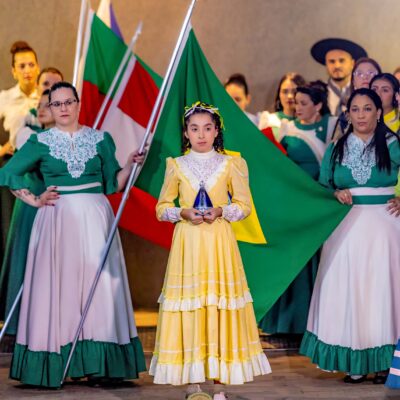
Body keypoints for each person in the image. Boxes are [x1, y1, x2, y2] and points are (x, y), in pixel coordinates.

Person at [0, 82, 146, 387]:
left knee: (100, 289)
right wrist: (34, 199)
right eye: (57, 104)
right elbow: (8, 172)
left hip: (96, 220)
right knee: (59, 289)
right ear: (50, 108)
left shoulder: (100, 139)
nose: (63, 108)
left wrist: (131, 165)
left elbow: (113, 184)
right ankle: (56, 362)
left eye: (69, 102)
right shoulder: (40, 141)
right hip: (57, 220)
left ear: (78, 104)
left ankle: (100, 365)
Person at [149, 101, 271, 399]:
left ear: (217, 131)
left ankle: (219, 385)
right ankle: (193, 385)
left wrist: (221, 210)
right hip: (188, 244)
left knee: (219, 306)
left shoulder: (232, 164)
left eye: (207, 128)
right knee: (191, 305)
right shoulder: (176, 165)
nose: (201, 134)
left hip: (219, 242)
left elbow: (244, 206)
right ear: (186, 133)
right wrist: (182, 212)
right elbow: (161, 208)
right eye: (194, 129)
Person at [300, 88, 400, 384]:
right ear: (348, 114)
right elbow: (323, 186)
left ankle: (385, 363)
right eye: (354, 109)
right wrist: (335, 193)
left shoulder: (393, 144)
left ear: (378, 112)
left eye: (367, 109)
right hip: (345, 227)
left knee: (382, 293)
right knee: (349, 291)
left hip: (385, 228)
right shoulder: (337, 148)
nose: (360, 115)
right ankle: (354, 363)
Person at [258, 82, 337, 336]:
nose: (297, 107)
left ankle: (310, 322)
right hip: (291, 205)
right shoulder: (285, 128)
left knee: (313, 260)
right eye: (296, 102)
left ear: (318, 105)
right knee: (291, 261)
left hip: (317, 204)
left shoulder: (331, 126)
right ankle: (283, 323)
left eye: (303, 103)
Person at [0, 89, 52, 338]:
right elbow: (9, 173)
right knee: (27, 260)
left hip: (62, 208)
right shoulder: (32, 138)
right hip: (35, 203)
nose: (40, 109)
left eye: (47, 104)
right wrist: (34, 199)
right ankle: (20, 322)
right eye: (39, 104)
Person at [0, 41, 40, 305]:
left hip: (39, 174)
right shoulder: (4, 98)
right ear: (14, 70)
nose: (27, 70)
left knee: (35, 237)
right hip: (12, 170)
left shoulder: (46, 96)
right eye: (21, 66)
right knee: (11, 236)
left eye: (31, 64)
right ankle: (10, 301)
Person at [310, 38, 367, 116]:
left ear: (352, 63)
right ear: (326, 65)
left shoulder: (364, 91)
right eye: (332, 61)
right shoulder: (317, 92)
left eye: (342, 60)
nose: (337, 66)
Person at [334, 57, 381, 137]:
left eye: (370, 73)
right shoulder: (345, 118)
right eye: (359, 74)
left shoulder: (390, 111)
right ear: (353, 82)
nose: (365, 77)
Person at [258, 72, 306, 138]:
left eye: (294, 92)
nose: (289, 96)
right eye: (285, 92)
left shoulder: (308, 123)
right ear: (279, 95)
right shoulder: (269, 121)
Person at [22, 67, 63, 132]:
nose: (51, 89)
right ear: (37, 86)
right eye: (46, 84)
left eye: (56, 85)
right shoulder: (28, 117)